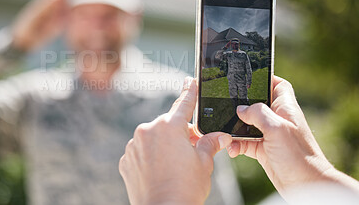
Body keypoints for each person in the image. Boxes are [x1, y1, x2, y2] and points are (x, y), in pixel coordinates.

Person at [0, 0, 239, 205]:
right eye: (84, 14)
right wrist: (14, 44)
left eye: (109, 14)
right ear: (64, 17)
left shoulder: (181, 99)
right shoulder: (34, 98)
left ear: (134, 17)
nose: (97, 26)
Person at [119, 76, 359, 205]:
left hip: (240, 84)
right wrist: (312, 175)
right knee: (235, 102)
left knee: (241, 101)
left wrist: (167, 198)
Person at [215, 38, 252, 133]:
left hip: (241, 80)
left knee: (244, 98)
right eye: (232, 44)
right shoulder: (228, 54)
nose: (234, 45)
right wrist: (225, 47)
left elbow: (248, 68)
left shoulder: (243, 54)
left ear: (239, 44)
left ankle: (247, 119)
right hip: (231, 80)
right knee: (233, 98)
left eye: (236, 44)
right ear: (231, 45)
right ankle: (236, 114)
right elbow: (217, 56)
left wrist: (249, 81)